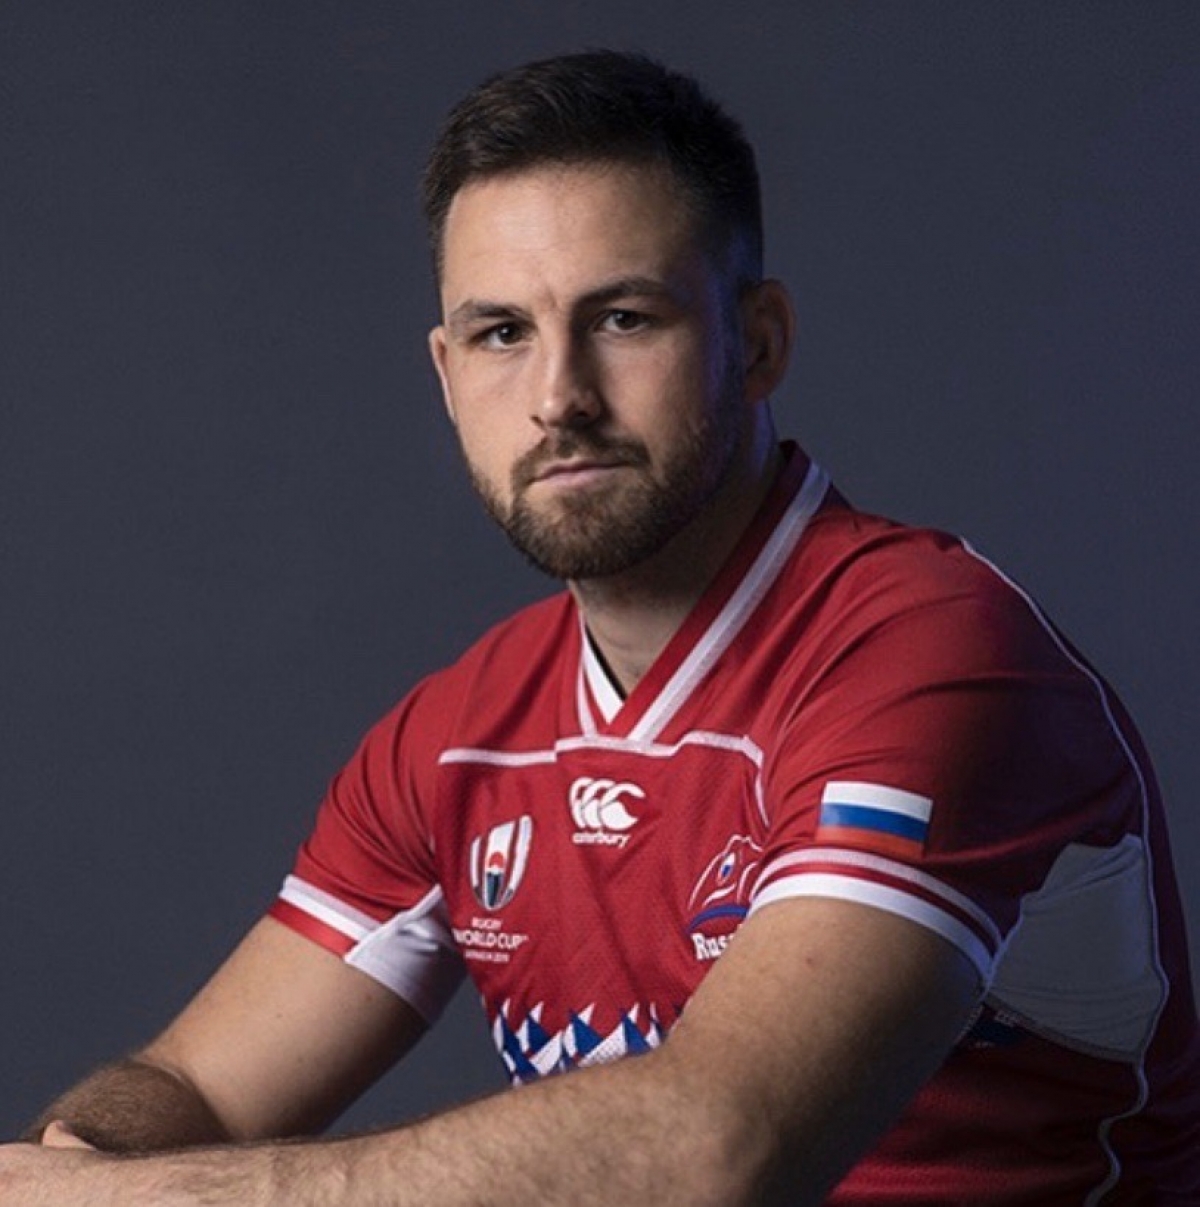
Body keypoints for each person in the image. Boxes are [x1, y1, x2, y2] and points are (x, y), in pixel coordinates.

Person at [5, 49, 1199, 1205]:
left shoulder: (932, 656)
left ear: (759, 342)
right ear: (446, 374)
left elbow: (715, 1152)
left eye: (623, 318)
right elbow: (196, 1086)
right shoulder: (458, 736)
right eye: (502, 333)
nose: (558, 398)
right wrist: (76, 1164)